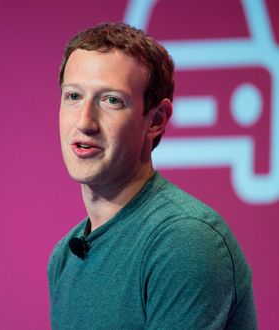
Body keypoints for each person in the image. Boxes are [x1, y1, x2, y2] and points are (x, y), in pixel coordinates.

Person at [48, 22, 258, 329]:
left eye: (111, 100)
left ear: (156, 120)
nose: (85, 122)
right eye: (73, 96)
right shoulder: (63, 258)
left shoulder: (183, 241)